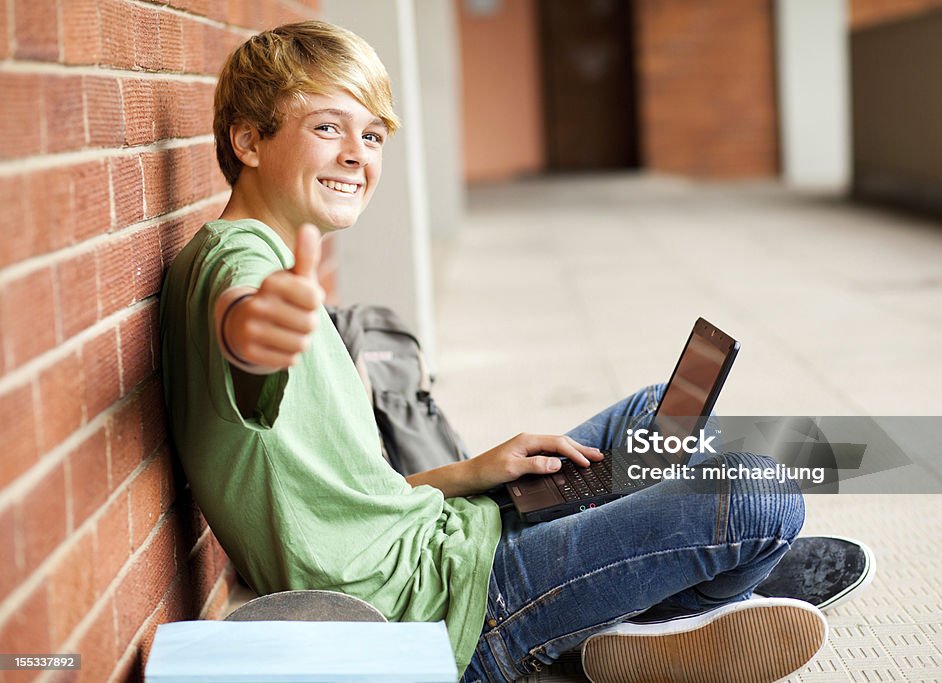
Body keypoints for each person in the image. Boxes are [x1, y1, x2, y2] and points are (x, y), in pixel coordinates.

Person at [161, 21, 872, 683]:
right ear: (249, 140)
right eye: (328, 128)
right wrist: (256, 334)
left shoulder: (255, 254)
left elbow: (344, 504)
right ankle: (661, 611)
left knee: (656, 413)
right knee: (759, 495)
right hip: (451, 614)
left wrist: (475, 470)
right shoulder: (241, 266)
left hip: (449, 537)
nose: (357, 154)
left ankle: (665, 591)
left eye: (373, 136)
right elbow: (246, 331)